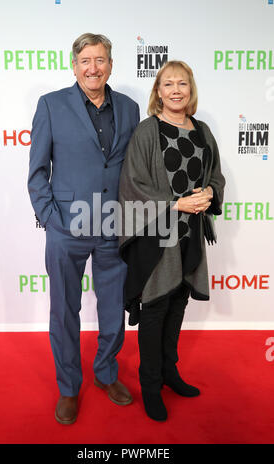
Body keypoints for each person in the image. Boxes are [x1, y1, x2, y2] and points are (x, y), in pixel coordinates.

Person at [28, 33, 140, 425]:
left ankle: (107, 373)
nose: (93, 67)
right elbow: (38, 172)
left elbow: (131, 167)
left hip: (114, 226)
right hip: (66, 229)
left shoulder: (129, 107)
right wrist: (53, 220)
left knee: (113, 309)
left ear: (111, 64)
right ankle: (69, 388)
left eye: (101, 59)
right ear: (74, 65)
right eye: (85, 60)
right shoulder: (51, 105)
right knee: (64, 312)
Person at [119, 60, 225, 421]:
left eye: (182, 83)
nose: (176, 90)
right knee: (156, 308)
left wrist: (210, 193)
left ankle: (169, 372)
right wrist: (176, 203)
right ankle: (150, 385)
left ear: (190, 90)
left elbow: (217, 177)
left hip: (190, 234)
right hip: (158, 235)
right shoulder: (149, 131)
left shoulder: (203, 131)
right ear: (158, 92)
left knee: (179, 303)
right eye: (168, 84)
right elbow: (132, 184)